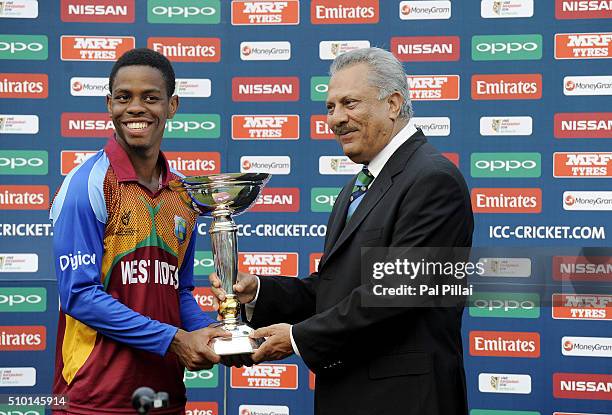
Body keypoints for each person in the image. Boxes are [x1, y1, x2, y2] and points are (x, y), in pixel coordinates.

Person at [211, 47, 473, 415]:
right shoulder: (358, 186)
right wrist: (258, 292)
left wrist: (298, 338)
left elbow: (396, 293)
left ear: (394, 103)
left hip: (406, 401)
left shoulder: (432, 179)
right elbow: (333, 290)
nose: (336, 119)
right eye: (330, 107)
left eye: (350, 103)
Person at [50, 48, 227, 414]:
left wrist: (213, 335)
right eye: (123, 97)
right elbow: (80, 295)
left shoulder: (183, 195)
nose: (135, 108)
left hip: (166, 395)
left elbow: (178, 291)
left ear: (172, 105)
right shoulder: (87, 185)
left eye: (150, 98)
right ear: (108, 105)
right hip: (95, 398)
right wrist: (173, 339)